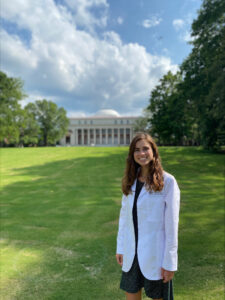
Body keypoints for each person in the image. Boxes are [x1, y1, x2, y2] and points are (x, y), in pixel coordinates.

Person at [116, 133, 180, 300]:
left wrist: (170, 262)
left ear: (154, 151)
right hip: (132, 253)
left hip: (156, 254)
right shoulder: (130, 181)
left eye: (145, 148)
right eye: (137, 150)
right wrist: (121, 248)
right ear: (132, 154)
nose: (141, 153)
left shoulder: (168, 182)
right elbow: (124, 218)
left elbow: (172, 225)